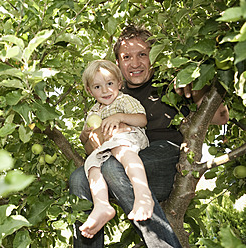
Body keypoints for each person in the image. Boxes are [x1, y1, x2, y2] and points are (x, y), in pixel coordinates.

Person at [69, 25, 229, 248]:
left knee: (112, 167)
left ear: (153, 57)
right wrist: (89, 136)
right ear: (118, 63)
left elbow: (221, 116)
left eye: (142, 54)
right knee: (78, 178)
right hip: (122, 158)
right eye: (126, 57)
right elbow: (93, 151)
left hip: (166, 156)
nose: (134, 63)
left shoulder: (170, 82)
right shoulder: (111, 94)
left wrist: (197, 84)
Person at [79, 60, 153, 239]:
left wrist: (119, 117)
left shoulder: (124, 100)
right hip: (106, 148)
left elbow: (142, 120)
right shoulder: (93, 113)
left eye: (110, 84)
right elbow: (90, 143)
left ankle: (143, 194)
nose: (105, 90)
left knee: (121, 149)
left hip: (129, 138)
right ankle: (102, 205)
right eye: (97, 86)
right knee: (91, 165)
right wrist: (86, 134)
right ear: (89, 90)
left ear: (119, 83)